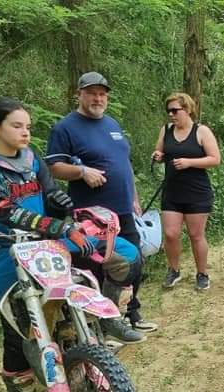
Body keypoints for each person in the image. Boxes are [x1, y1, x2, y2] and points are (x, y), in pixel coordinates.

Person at [0, 97, 142, 392]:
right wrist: (58, 226)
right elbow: (5, 210)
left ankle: (104, 321)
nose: (25, 132)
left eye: (28, 126)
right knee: (17, 322)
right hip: (8, 245)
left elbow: (50, 192)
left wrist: (66, 210)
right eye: (17, 126)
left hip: (50, 239)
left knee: (125, 255)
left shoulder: (30, 157)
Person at [46, 72, 154, 340]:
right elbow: (54, 167)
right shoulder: (65, 128)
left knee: (134, 261)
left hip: (122, 210)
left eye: (102, 94)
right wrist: (82, 172)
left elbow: (124, 163)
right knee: (98, 267)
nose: (98, 98)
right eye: (92, 93)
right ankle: (99, 326)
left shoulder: (112, 124)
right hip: (92, 216)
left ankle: (130, 313)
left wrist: (134, 196)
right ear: (79, 94)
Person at [151, 92, 222, 291]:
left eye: (175, 110)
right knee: (170, 234)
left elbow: (215, 159)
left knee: (196, 235)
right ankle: (174, 270)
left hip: (197, 192)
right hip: (172, 191)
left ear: (188, 109)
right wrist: (158, 156)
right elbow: (160, 151)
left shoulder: (201, 131)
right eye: (168, 111)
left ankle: (202, 273)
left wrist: (189, 162)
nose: (171, 115)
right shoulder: (166, 130)